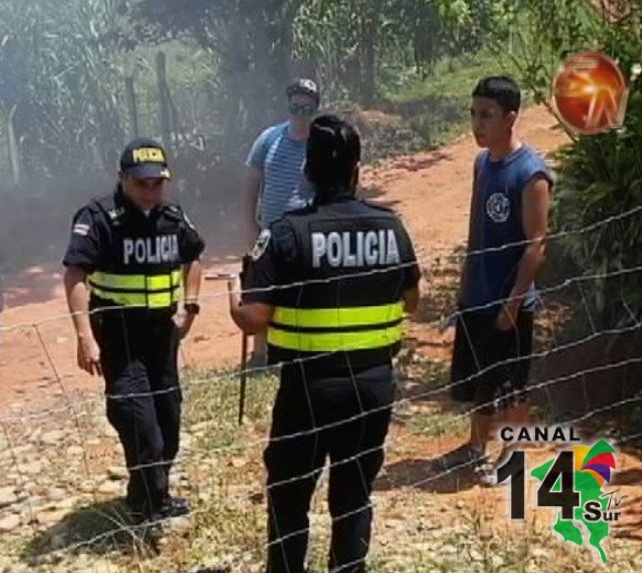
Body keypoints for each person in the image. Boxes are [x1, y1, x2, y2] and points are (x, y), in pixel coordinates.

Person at [229, 115, 421, 573]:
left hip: (308, 391)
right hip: (372, 386)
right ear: (357, 170)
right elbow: (411, 301)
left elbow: (253, 318)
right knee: (353, 496)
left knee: (290, 496)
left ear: (306, 173)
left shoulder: (286, 233)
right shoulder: (390, 228)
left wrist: (234, 298)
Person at [62, 138, 205, 524]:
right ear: (123, 179)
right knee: (139, 423)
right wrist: (84, 337)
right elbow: (75, 274)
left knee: (169, 422)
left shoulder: (173, 217)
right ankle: (148, 505)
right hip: (119, 336)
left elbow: (194, 258)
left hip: (162, 335)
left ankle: (149, 497)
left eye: (157, 183)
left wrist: (189, 307)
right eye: (141, 184)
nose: (149, 191)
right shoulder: (98, 218)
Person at [437, 76, 552, 485]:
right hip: (478, 296)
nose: (477, 124)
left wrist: (513, 302)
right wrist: (465, 287)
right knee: (480, 379)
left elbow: (537, 245)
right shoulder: (482, 163)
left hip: (510, 301)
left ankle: (514, 456)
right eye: (473, 114)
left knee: (511, 385)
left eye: (486, 115)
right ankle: (474, 448)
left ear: (510, 118)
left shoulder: (531, 173)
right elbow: (475, 230)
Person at [242, 78, 321, 366]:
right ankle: (259, 355)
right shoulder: (268, 139)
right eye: (295, 107)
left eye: (306, 109)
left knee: (303, 294)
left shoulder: (320, 144)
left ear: (315, 109)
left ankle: (300, 351)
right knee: (261, 293)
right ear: (288, 106)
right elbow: (251, 182)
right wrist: (250, 224)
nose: (300, 114)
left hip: (305, 233)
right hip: (269, 232)